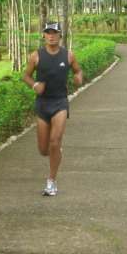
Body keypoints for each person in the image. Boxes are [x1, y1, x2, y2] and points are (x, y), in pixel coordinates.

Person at [23, 21, 83, 196]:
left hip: (60, 103)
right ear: (44, 36)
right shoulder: (36, 56)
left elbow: (77, 71)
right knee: (44, 150)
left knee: (55, 142)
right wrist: (35, 85)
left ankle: (51, 182)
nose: (51, 36)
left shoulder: (68, 55)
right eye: (48, 33)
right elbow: (26, 76)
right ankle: (56, 152)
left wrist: (78, 77)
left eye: (54, 33)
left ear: (60, 35)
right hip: (42, 104)